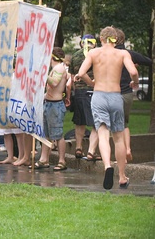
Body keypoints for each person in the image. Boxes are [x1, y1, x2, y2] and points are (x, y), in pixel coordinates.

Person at [75, 26, 138, 190]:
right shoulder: (123, 53)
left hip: (99, 96)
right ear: (115, 40)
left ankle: (107, 166)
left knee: (103, 134)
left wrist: (92, 83)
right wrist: (135, 83)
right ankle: (122, 176)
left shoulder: (94, 53)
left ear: (101, 39)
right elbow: (133, 71)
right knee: (118, 137)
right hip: (116, 97)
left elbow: (81, 73)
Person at [114, 28, 151, 162]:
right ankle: (127, 149)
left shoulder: (108, 54)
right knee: (124, 124)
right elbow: (148, 61)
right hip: (127, 94)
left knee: (109, 126)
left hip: (112, 94)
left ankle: (117, 154)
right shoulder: (129, 54)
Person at [32, 47, 69, 171]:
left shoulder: (59, 68)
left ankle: (62, 161)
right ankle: (44, 159)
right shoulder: (55, 68)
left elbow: (54, 83)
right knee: (46, 134)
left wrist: (43, 75)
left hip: (56, 105)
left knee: (57, 135)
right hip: (49, 103)